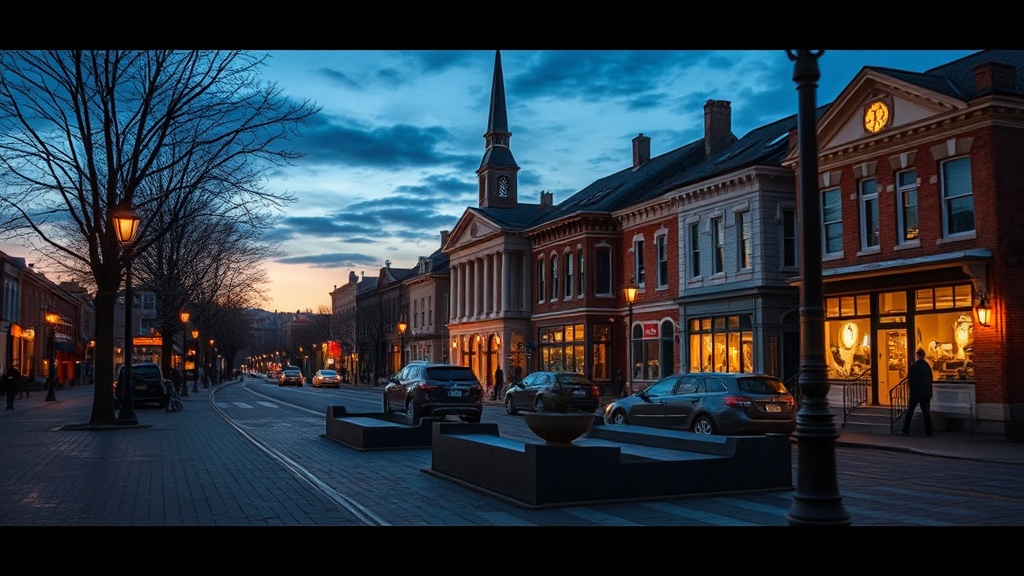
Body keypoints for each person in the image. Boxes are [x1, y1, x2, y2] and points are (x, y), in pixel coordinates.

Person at [903, 348, 935, 436]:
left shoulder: (915, 366)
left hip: (916, 392)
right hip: (926, 392)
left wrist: (912, 390)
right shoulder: (927, 366)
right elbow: (930, 379)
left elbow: (911, 380)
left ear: (917, 355)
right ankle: (928, 430)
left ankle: (905, 428)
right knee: (926, 412)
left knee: (910, 410)